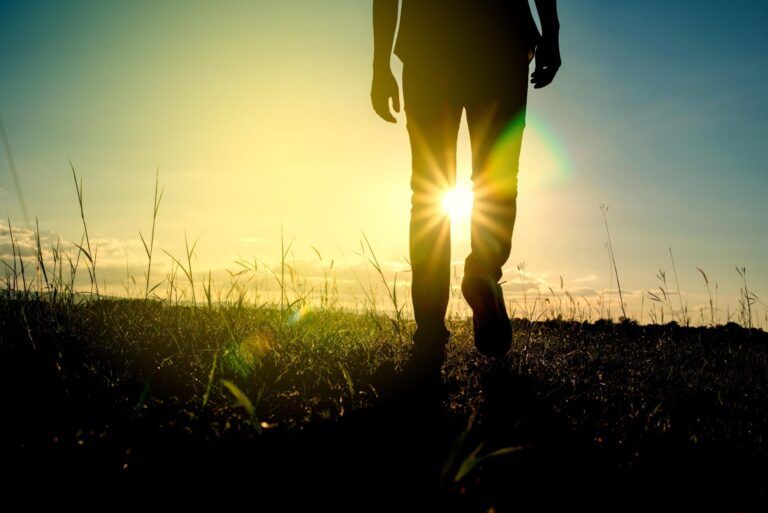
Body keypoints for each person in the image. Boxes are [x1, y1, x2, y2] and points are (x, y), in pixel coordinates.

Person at [371, 0, 561, 388]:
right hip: (500, 39)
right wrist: (551, 32)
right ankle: (483, 272)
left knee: (428, 189)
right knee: (496, 180)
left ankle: (429, 332)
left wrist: (380, 65)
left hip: (429, 41)